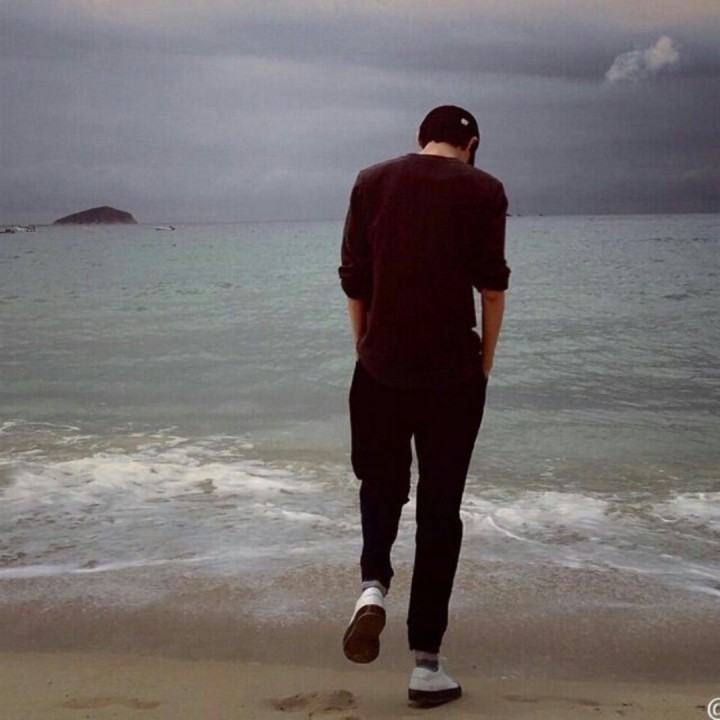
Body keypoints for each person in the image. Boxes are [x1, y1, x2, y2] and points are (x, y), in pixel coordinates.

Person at [338, 105, 510, 707]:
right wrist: (484, 363)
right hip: (453, 378)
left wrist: (364, 347)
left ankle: (372, 587)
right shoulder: (485, 189)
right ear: (473, 144)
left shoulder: (371, 181)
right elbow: (492, 288)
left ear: (420, 137)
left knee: (381, 485)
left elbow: (354, 279)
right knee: (440, 511)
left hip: (380, 368)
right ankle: (427, 666)